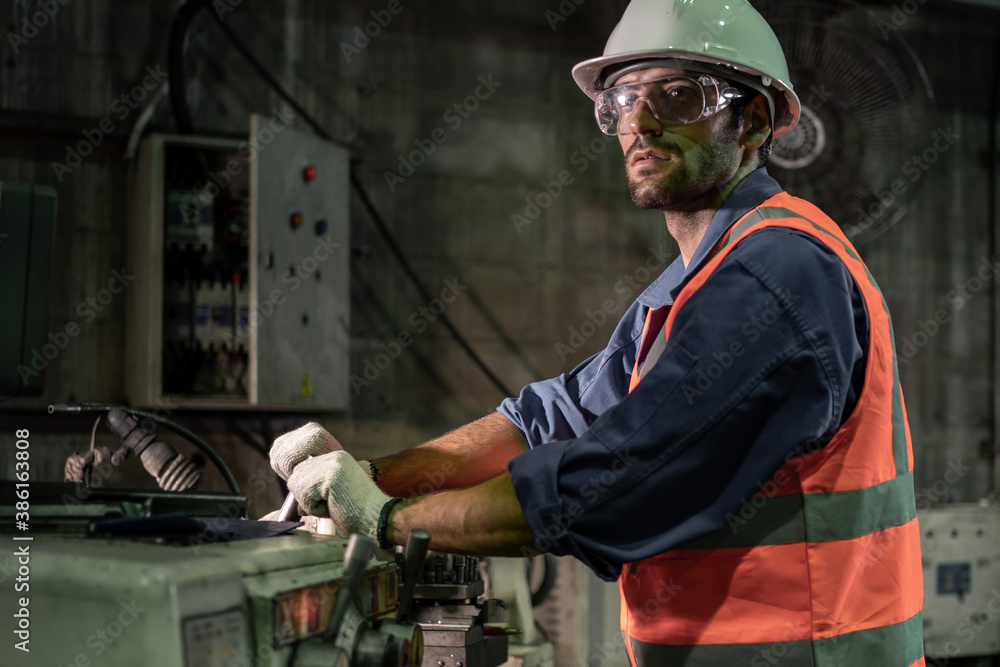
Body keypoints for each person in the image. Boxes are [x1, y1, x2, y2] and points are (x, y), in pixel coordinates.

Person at [267, 0, 925, 664]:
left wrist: (387, 520)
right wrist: (368, 476)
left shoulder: (778, 274)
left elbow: (622, 476)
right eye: (622, 99)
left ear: (752, 119)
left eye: (676, 95)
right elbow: (552, 418)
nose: (640, 123)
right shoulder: (691, 284)